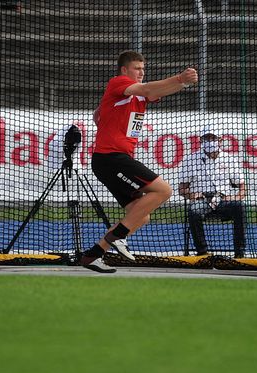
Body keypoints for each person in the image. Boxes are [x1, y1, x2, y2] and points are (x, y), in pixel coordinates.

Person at [80, 50, 198, 273]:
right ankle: (118, 236)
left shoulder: (139, 95)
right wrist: (180, 78)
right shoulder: (118, 82)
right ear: (125, 70)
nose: (141, 72)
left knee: (141, 216)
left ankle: (93, 255)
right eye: (137, 68)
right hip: (111, 158)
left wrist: (183, 84)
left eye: (143, 69)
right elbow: (146, 89)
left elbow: (154, 91)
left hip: (114, 160)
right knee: (163, 191)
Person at [178, 129, 246, 258]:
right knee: (194, 210)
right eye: (206, 139)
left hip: (223, 200)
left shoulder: (230, 159)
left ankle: (240, 253)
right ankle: (202, 252)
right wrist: (192, 195)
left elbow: (242, 187)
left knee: (239, 206)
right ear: (201, 141)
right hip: (202, 199)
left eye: (213, 138)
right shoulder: (190, 159)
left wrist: (236, 197)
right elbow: (181, 189)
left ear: (220, 140)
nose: (209, 142)